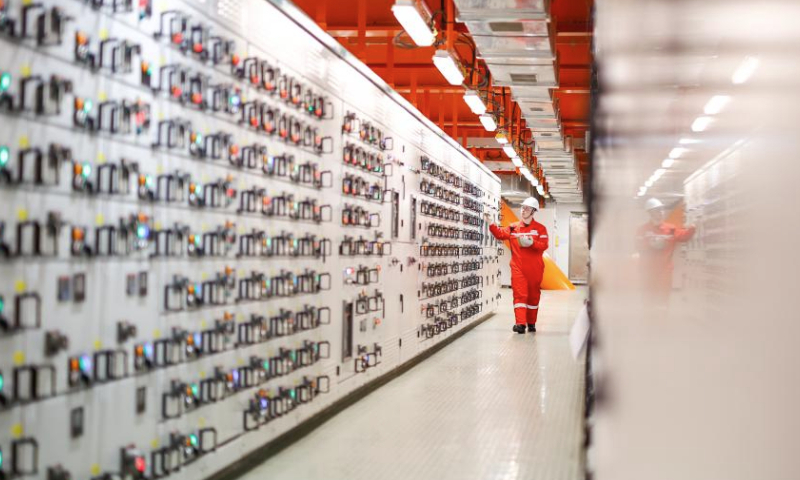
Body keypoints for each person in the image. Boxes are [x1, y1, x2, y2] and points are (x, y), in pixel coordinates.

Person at [487, 197, 549, 334]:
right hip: (518, 268)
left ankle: (531, 323)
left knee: (533, 296)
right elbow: (500, 234)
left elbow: (544, 246)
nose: (523, 210)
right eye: (522, 207)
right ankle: (520, 324)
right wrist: (491, 223)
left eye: (527, 208)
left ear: (533, 211)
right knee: (520, 295)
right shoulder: (513, 227)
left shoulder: (540, 229)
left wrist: (532, 243)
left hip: (535, 269)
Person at [636, 198, 695, 303]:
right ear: (650, 212)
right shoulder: (642, 230)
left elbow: (684, 236)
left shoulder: (670, 229)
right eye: (657, 210)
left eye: (662, 210)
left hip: (665, 271)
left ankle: (662, 317)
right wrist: (650, 244)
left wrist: (694, 226)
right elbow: (637, 246)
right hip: (647, 271)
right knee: (648, 299)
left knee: (663, 300)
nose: (661, 212)